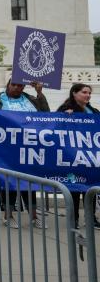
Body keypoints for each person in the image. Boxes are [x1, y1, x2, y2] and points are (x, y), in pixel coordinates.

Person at [0, 81, 48, 229]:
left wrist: (40, 93)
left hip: (29, 147)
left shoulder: (31, 99)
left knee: (29, 182)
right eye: (14, 85)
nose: (17, 88)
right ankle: (8, 216)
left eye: (20, 86)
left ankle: (33, 216)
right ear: (7, 85)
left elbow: (46, 115)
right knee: (9, 182)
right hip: (6, 148)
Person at [57, 83, 98, 229]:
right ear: (74, 93)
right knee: (74, 188)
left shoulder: (93, 111)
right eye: (84, 92)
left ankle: (91, 218)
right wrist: (64, 117)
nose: (87, 95)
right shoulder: (65, 109)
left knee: (90, 187)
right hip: (72, 156)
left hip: (90, 157)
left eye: (89, 93)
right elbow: (55, 127)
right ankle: (73, 219)